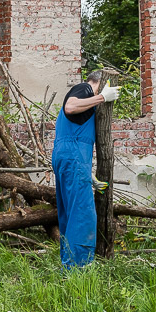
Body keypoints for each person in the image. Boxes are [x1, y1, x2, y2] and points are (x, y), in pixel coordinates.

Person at [52, 69, 121, 269]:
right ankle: (78, 270)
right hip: (72, 157)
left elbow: (72, 140)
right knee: (83, 214)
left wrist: (88, 176)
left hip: (68, 159)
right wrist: (101, 97)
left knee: (70, 213)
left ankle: (68, 264)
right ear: (99, 82)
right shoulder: (85, 89)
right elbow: (70, 107)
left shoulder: (87, 103)